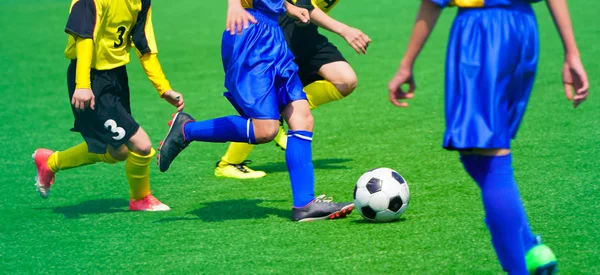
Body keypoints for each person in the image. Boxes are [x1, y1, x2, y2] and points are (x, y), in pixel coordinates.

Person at [388, 0, 589, 273]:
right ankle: (531, 249)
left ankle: (518, 266)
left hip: (482, 34)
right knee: (475, 153)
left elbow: (432, 3)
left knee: (492, 155)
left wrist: (405, 65)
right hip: (523, 28)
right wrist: (571, 52)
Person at [157, 0, 354, 222]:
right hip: (250, 33)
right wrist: (233, 4)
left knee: (302, 117)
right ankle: (187, 130)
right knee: (265, 130)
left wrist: (289, 6)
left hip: (274, 35)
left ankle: (305, 205)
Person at [32, 0, 184, 211]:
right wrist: (83, 85)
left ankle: (50, 162)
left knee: (118, 151)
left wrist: (163, 88)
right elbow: (84, 38)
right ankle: (140, 198)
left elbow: (144, 45)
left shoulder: (142, 1)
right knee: (141, 145)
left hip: (116, 77)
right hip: (89, 78)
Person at [214, 0, 371, 179]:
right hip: (280, 32)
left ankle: (280, 113)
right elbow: (305, 6)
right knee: (263, 111)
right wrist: (345, 30)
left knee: (345, 80)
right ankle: (228, 163)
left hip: (307, 35)